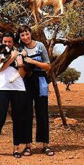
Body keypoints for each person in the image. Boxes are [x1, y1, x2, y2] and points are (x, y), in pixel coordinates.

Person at [16, 24, 54, 157]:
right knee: (26, 113)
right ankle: (27, 146)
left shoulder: (40, 46)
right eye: (22, 35)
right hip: (26, 81)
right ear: (20, 37)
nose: (25, 37)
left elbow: (48, 66)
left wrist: (33, 62)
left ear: (30, 33)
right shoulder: (20, 48)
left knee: (42, 112)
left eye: (27, 33)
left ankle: (45, 144)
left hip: (40, 81)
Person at [0, 32, 27, 158]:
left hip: (18, 88)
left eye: (9, 42)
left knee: (18, 119)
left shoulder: (18, 51)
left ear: (13, 42)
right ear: (2, 41)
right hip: (2, 89)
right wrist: (13, 57)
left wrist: (20, 62)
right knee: (0, 119)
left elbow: (22, 73)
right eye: (5, 41)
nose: (7, 44)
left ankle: (16, 148)